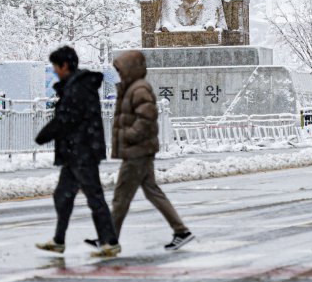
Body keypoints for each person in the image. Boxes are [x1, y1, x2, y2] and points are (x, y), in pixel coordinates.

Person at [97, 50, 193, 251]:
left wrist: (128, 135)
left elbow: (147, 117)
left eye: (121, 69)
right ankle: (181, 231)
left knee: (121, 196)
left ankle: (109, 239)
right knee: (151, 192)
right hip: (140, 150)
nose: (119, 73)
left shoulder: (138, 89)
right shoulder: (132, 87)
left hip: (137, 151)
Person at [34, 46, 120, 258]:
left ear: (65, 65)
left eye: (56, 67)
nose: (55, 72)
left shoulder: (78, 88)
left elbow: (66, 119)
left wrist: (44, 134)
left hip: (82, 152)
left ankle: (109, 242)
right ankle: (59, 240)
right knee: (62, 196)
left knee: (94, 196)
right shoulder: (75, 86)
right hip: (75, 152)